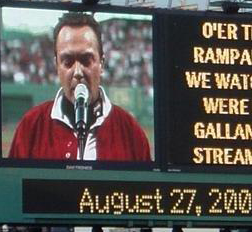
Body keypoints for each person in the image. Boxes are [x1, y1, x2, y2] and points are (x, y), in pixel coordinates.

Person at [9, 12, 151, 161]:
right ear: (57, 65)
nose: (77, 72)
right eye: (68, 62)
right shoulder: (31, 126)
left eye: (86, 60)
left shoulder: (130, 131)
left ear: (101, 63)